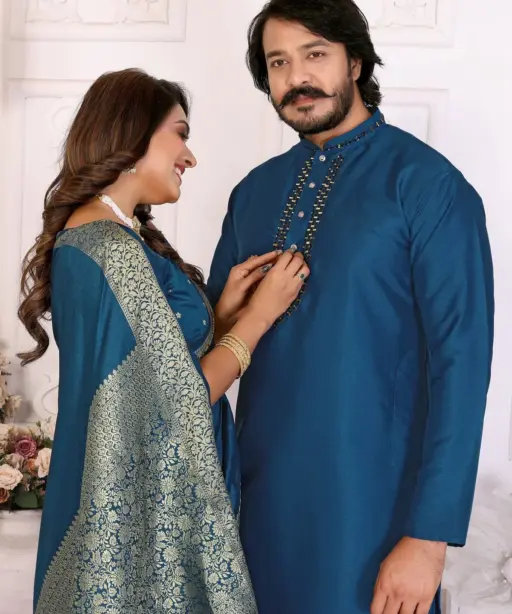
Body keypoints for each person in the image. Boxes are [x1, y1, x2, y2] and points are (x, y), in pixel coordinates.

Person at [206, 1, 494, 613]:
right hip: (255, 516)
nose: (297, 77)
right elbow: (204, 365)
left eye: (315, 54)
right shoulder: (253, 194)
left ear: (355, 62)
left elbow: (462, 368)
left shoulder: (427, 186)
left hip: (374, 518)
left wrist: (429, 538)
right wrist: (223, 316)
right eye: (278, 63)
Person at [18, 68, 310, 614]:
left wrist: (219, 316)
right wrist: (260, 316)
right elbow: (178, 401)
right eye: (180, 134)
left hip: (109, 514)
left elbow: (140, 372)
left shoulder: (94, 238)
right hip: (135, 533)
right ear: (133, 136)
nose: (189, 157)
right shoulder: (114, 248)